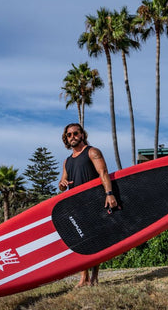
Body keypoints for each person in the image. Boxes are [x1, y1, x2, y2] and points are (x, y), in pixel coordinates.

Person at [58, 123, 118, 287]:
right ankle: (83, 277)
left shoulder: (92, 152)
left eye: (75, 133)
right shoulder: (67, 161)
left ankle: (94, 277)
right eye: (69, 135)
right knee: (80, 241)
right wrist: (62, 183)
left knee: (96, 239)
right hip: (75, 205)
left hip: (94, 201)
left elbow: (103, 173)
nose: (72, 137)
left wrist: (109, 194)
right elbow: (62, 184)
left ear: (82, 135)